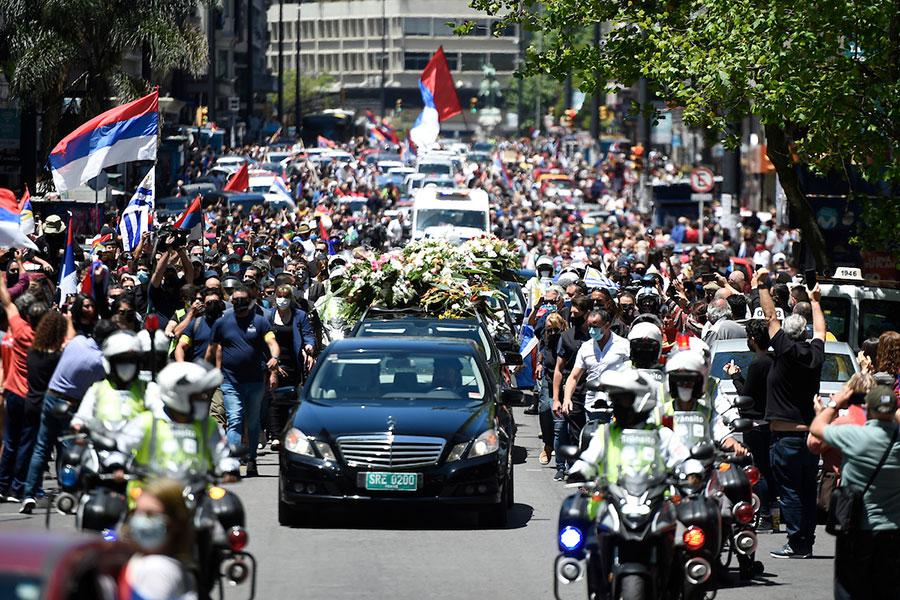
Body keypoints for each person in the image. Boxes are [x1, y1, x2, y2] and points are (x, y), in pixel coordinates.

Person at [756, 268, 826, 558]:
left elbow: (770, 317)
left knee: (791, 492)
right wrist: (816, 301)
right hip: (808, 438)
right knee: (807, 491)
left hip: (786, 439)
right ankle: (806, 542)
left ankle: (797, 543)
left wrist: (762, 286)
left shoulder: (784, 350)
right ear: (804, 334)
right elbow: (820, 331)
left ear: (786, 334)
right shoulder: (815, 354)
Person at [809, 384, 900, 600]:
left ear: (868, 408)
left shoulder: (855, 435)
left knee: (850, 589)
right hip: (893, 530)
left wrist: (834, 404)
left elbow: (817, 428)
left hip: (857, 528)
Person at [20, 319, 118, 514]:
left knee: (41, 447)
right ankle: (68, 493)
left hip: (50, 396)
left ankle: (28, 494)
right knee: (70, 451)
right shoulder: (100, 360)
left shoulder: (78, 341)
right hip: (69, 404)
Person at [119, 361, 238, 484]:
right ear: (178, 396)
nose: (204, 399)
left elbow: (222, 452)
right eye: (197, 396)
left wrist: (228, 468)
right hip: (150, 490)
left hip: (197, 490)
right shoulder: (147, 421)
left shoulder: (208, 424)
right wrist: (116, 465)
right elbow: (120, 448)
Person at [205, 285, 280, 477]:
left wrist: (274, 358)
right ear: (231, 301)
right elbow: (212, 350)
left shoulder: (260, 322)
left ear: (250, 301)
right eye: (236, 300)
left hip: (255, 381)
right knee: (235, 419)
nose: (239, 304)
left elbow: (272, 343)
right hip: (230, 381)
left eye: (243, 300)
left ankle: (252, 459)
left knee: (253, 422)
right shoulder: (222, 323)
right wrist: (205, 370)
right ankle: (233, 462)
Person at [0, 273, 48, 502]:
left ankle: (2, 486)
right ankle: (18, 488)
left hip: (12, 393)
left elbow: (8, 304)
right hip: (32, 396)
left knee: (10, 441)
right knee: (26, 443)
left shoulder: (19, 329)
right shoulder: (43, 340)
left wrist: (2, 283)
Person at [724, 318, 775, 526]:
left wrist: (735, 376)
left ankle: (764, 514)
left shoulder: (758, 363)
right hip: (770, 422)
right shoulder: (773, 360)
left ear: (753, 339)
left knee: (758, 469)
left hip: (756, 424)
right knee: (767, 468)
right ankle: (771, 512)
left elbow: (746, 395)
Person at [118, 477, 198, 600]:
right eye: (137, 512)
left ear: (175, 522)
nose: (140, 520)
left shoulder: (156, 569)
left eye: (150, 514)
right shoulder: (169, 564)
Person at [264, 284, 315, 448]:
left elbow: (308, 334)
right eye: (279, 296)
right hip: (273, 361)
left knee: (291, 398)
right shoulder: (269, 316)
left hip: (293, 362)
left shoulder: (299, 315)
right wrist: (272, 363)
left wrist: (309, 346)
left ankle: (288, 432)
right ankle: (275, 435)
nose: (282, 300)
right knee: (274, 398)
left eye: (286, 296)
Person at [562, 308, 630, 422]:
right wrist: (567, 398)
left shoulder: (623, 345)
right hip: (593, 406)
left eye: (595, 327)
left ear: (607, 326)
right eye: (589, 326)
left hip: (618, 407)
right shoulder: (586, 348)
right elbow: (574, 377)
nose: (592, 330)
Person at [71, 331, 147, 431]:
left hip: (137, 440)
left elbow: (160, 415)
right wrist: (78, 425)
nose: (127, 365)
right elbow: (81, 417)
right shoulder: (97, 389)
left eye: (131, 360)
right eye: (121, 360)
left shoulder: (145, 388)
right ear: (110, 362)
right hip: (100, 439)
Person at [552, 295, 592, 480]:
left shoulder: (597, 336)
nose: (573, 316)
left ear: (588, 313)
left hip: (594, 393)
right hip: (573, 393)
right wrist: (557, 399)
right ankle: (575, 470)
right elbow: (559, 369)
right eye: (572, 313)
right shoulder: (567, 337)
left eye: (577, 314)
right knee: (574, 433)